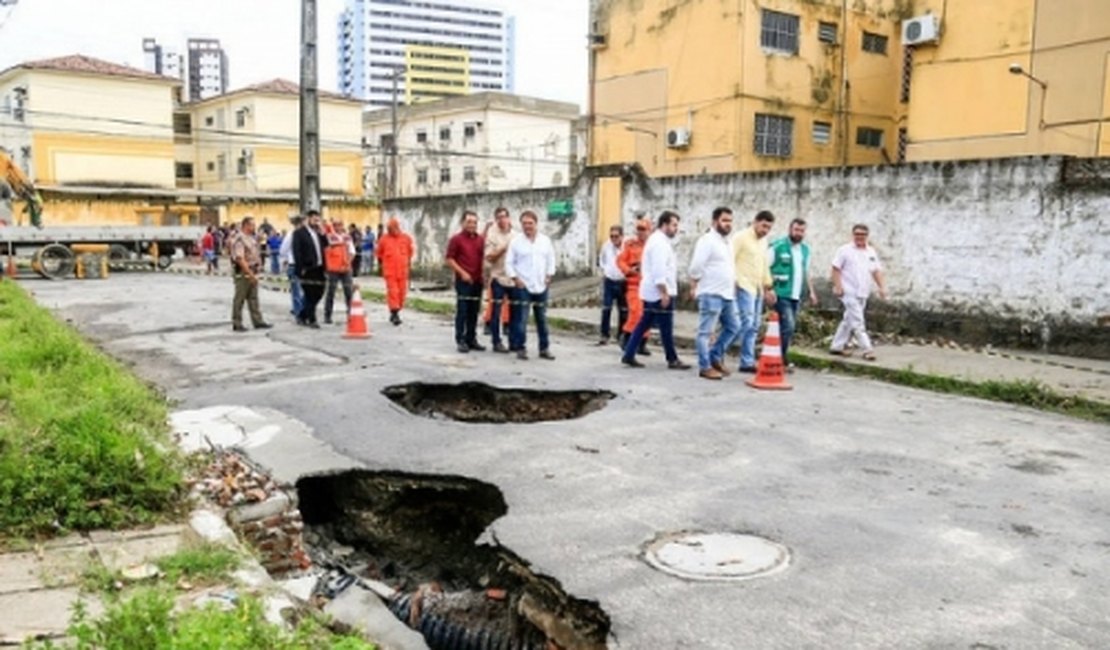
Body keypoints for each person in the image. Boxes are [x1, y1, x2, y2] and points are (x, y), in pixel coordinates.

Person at [620, 211, 690, 370]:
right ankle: (672, 359)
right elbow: (659, 271)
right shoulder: (659, 243)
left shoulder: (657, 240)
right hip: (659, 291)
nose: (676, 229)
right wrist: (664, 292)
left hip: (652, 290)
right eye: (674, 225)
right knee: (665, 327)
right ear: (664, 225)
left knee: (645, 323)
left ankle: (629, 354)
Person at [688, 207, 740, 380]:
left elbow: (730, 267)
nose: (728, 224)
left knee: (734, 326)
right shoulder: (707, 240)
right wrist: (694, 285)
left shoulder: (728, 242)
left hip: (727, 294)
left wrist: (733, 286)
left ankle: (715, 357)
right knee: (705, 332)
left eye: (730, 221)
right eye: (724, 220)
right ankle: (705, 367)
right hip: (711, 293)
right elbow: (696, 266)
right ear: (714, 221)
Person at [504, 210, 556, 361]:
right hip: (523, 286)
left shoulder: (545, 240)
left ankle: (544, 348)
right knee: (522, 319)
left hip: (541, 285)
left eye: (530, 223)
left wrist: (549, 275)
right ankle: (521, 348)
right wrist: (515, 279)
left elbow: (551, 259)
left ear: (536, 224)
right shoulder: (516, 242)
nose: (528, 226)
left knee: (542, 319)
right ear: (521, 225)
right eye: (524, 223)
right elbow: (509, 263)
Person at [830, 224, 887, 360]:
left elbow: (876, 271)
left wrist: (882, 287)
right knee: (857, 321)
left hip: (863, 291)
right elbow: (835, 268)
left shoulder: (870, 252)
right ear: (853, 235)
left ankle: (836, 346)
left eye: (862, 235)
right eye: (857, 234)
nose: (859, 237)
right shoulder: (844, 250)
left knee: (848, 320)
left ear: (867, 236)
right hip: (848, 291)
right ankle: (867, 349)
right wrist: (838, 286)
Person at [769, 218, 818, 367]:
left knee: (786, 327)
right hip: (780, 293)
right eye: (796, 230)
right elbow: (765, 267)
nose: (799, 233)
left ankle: (775, 354)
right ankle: (781, 358)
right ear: (790, 229)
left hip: (796, 295)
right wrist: (768, 289)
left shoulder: (805, 250)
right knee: (788, 325)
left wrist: (811, 291)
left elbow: (806, 272)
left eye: (802, 231)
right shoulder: (777, 247)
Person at [732, 210, 776, 373]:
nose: (765, 230)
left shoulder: (763, 242)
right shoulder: (740, 237)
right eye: (763, 226)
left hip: (757, 288)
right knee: (745, 324)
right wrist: (733, 281)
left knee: (754, 326)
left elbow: (764, 265)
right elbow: (730, 259)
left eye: (768, 228)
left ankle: (746, 362)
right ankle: (716, 353)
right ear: (755, 222)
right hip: (743, 286)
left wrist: (768, 286)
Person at [445, 211, 486, 353]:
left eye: (475, 222)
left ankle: (471, 338)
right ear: (463, 223)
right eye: (469, 222)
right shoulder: (456, 240)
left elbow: (483, 259)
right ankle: (460, 339)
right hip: (463, 281)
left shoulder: (480, 240)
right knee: (462, 311)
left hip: (477, 281)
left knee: (474, 311)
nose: (472, 225)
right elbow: (449, 259)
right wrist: (462, 273)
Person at [229, 216, 271, 332]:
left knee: (253, 298)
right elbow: (240, 258)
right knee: (240, 297)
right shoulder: (240, 239)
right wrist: (249, 274)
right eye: (252, 225)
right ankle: (237, 322)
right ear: (246, 225)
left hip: (253, 269)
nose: (254, 227)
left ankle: (258, 321)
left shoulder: (251, 238)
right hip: (244, 271)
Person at [617, 218, 652, 356]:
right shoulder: (630, 245)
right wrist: (629, 271)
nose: (641, 232)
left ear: (649, 231)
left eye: (644, 229)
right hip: (633, 284)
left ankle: (642, 343)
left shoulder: (653, 245)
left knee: (648, 315)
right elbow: (620, 261)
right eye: (639, 229)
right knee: (635, 312)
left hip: (648, 285)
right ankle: (626, 338)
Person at [482, 207, 514, 352]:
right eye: (499, 217)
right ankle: (496, 341)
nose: (502, 220)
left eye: (504, 217)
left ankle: (515, 341)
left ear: (509, 218)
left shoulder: (516, 235)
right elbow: (489, 257)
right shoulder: (492, 235)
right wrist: (504, 248)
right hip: (497, 277)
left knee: (516, 311)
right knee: (495, 311)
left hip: (514, 279)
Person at [292, 210, 328, 328]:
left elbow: (327, 245)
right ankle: (312, 319)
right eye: (314, 219)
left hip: (320, 268)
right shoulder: (299, 233)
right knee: (310, 294)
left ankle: (302, 315)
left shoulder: (318, 233)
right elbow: (297, 252)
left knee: (319, 293)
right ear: (308, 219)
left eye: (318, 219)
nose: (316, 221)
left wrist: (322, 232)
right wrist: (300, 268)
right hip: (308, 268)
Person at [376, 217, 414, 325]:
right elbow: (379, 253)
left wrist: (405, 263)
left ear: (397, 227)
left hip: (402, 272)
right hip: (390, 272)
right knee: (393, 292)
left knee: (402, 293)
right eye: (389, 228)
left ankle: (396, 311)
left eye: (392, 228)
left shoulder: (406, 238)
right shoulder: (383, 239)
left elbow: (410, 253)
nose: (390, 230)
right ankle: (394, 313)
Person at [597, 224, 628, 346]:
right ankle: (604, 335)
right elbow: (602, 259)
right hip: (609, 280)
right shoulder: (606, 246)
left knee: (623, 310)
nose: (614, 239)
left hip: (623, 280)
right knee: (606, 308)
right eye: (611, 236)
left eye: (616, 236)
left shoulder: (627, 246)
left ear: (622, 236)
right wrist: (605, 271)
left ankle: (621, 334)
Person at [323, 218, 356, 325]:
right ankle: (327, 315)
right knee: (331, 293)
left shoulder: (347, 237)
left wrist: (347, 263)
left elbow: (352, 252)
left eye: (340, 225)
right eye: (336, 225)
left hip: (346, 269)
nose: (338, 227)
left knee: (349, 293)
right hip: (333, 269)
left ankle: (351, 315)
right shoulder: (330, 236)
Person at [279, 215, 304, 320]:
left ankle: (300, 309)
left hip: (304, 266)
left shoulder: (305, 235)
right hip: (294, 265)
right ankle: (298, 312)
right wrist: (288, 258)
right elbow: (283, 250)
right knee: (296, 291)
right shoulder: (291, 235)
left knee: (303, 290)